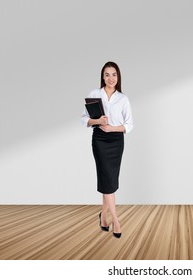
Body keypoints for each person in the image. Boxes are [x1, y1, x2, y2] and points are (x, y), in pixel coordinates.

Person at [81, 61, 133, 238]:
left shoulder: (123, 98)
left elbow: (129, 125)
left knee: (109, 181)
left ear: (118, 77)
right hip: (100, 140)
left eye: (114, 74)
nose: (110, 78)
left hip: (117, 141)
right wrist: (98, 122)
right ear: (102, 77)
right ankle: (116, 220)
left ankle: (104, 216)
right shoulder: (94, 94)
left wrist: (112, 128)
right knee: (108, 181)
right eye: (107, 74)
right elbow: (83, 119)